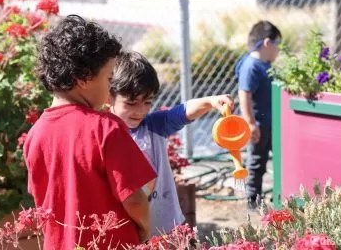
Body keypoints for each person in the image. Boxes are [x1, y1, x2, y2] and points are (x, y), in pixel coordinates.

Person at [23, 15, 156, 249]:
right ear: (83, 78)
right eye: (108, 77)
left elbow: (42, 202)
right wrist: (144, 228)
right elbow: (134, 200)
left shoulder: (35, 135)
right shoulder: (106, 127)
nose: (109, 87)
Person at [109, 50, 234, 236]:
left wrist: (210, 101)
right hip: (127, 230)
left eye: (147, 102)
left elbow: (182, 112)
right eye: (131, 103)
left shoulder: (153, 126)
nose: (140, 111)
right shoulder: (104, 135)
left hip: (166, 227)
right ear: (109, 96)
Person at [235, 20, 281, 209]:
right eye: (278, 46)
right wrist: (251, 123)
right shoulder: (252, 66)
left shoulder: (264, 64)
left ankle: (279, 196)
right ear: (267, 43)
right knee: (256, 162)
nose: (278, 51)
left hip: (270, 123)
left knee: (277, 158)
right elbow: (244, 93)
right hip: (259, 126)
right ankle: (253, 200)